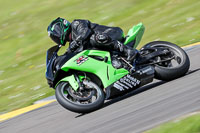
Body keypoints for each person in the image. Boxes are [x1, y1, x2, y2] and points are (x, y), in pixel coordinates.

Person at [47, 17, 138, 62]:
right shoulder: (72, 44)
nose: (56, 38)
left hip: (112, 33)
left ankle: (128, 51)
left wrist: (75, 43)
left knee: (93, 38)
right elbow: (69, 55)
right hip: (103, 45)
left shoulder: (76, 24)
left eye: (56, 34)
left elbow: (85, 32)